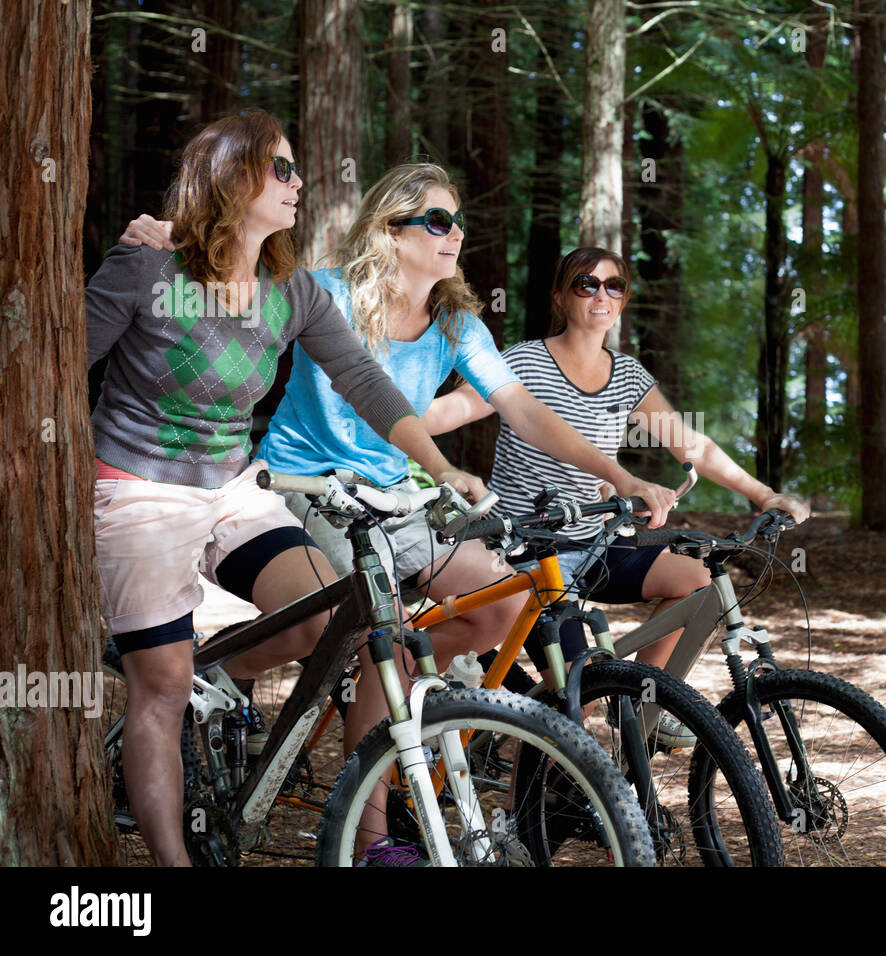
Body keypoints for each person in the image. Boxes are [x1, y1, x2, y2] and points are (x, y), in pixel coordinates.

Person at [88, 112, 480, 866]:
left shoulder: (290, 288)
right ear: (232, 176)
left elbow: (364, 379)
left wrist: (443, 464)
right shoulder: (149, 268)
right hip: (137, 490)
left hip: (232, 487)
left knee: (327, 624)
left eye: (297, 170)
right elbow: (57, 357)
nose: (300, 184)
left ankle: (215, 684)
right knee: (161, 689)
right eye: (282, 169)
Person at [423, 247, 811, 687]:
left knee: (700, 582)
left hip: (596, 542)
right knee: (579, 692)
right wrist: (382, 414)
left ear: (623, 299)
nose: (600, 295)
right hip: (525, 551)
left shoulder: (627, 375)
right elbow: (450, 410)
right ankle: (551, 735)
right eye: (585, 284)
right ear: (560, 298)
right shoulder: (524, 360)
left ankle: (649, 698)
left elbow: (693, 446)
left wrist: (763, 495)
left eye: (614, 285)